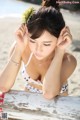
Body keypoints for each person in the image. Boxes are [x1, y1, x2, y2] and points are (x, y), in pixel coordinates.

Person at [0, 0, 77, 100]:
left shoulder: (68, 61)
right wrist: (19, 48)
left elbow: (48, 94)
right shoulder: (22, 47)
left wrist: (59, 52)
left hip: (56, 111)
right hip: (29, 103)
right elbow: (3, 86)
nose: (38, 49)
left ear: (59, 38)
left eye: (46, 44)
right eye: (33, 41)